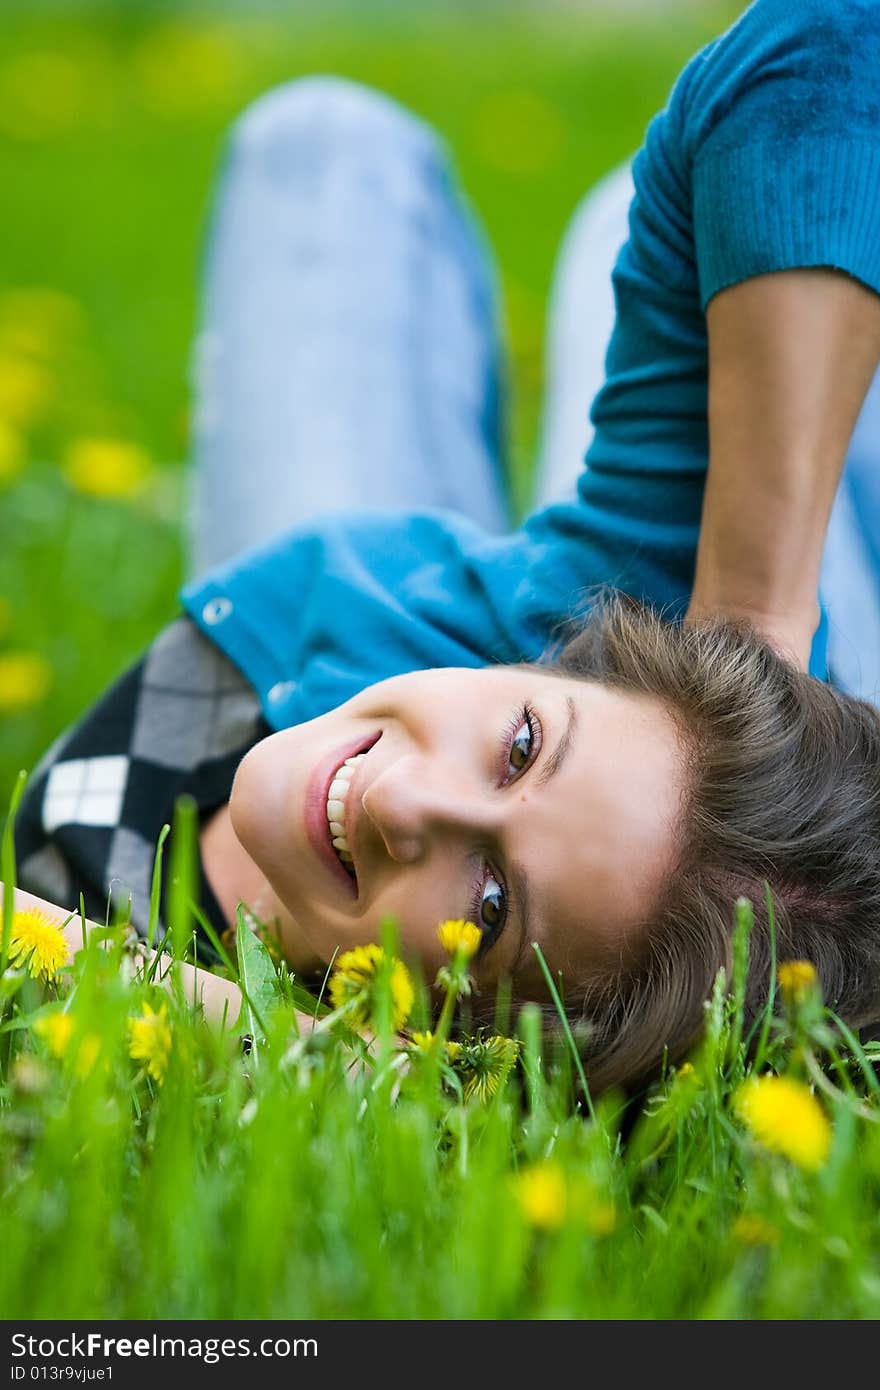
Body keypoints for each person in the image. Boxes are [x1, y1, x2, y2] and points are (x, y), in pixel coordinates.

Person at [11, 0, 880, 1093]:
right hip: (692, 645)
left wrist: (286, 1035)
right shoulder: (622, 672)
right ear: (556, 663)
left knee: (318, 143)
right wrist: (754, 614)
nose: (403, 803)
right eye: (519, 746)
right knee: (347, 145)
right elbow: (827, 46)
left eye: (490, 906)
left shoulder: (478, 1065)